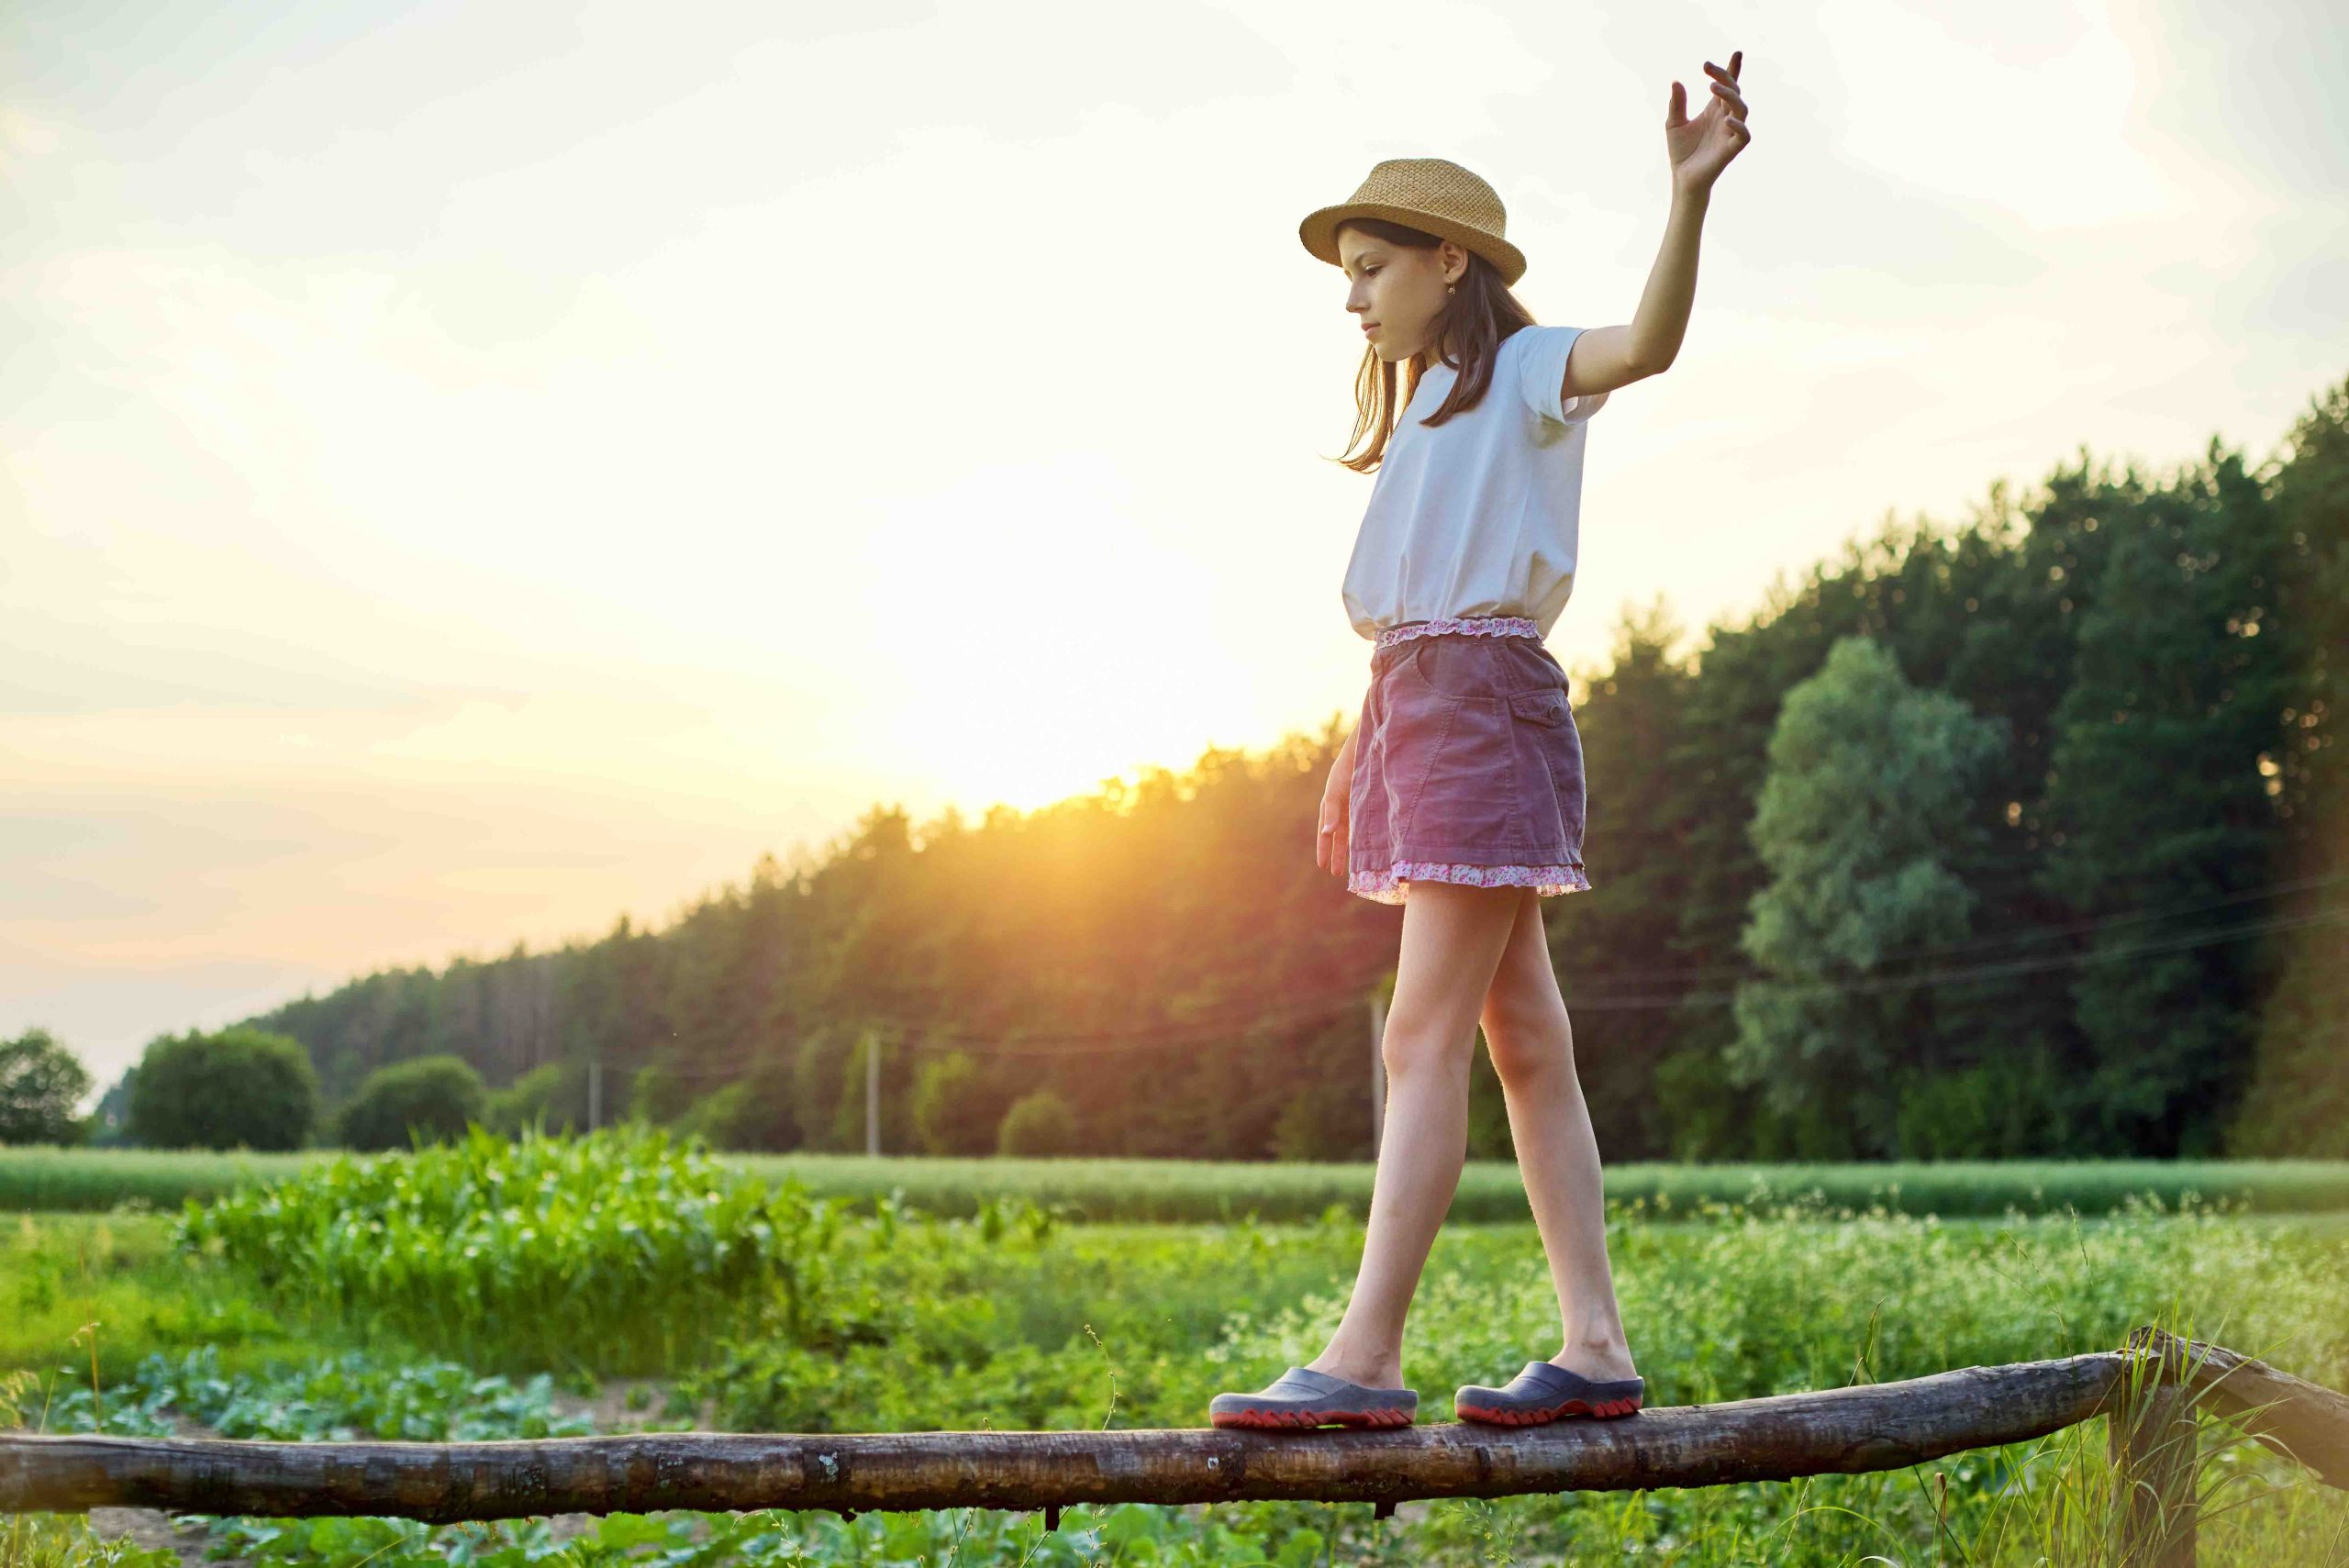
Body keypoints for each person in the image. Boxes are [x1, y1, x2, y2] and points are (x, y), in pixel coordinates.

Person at [1208, 52, 1752, 1432]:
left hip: (1483, 713)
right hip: (1424, 713)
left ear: (1450, 262)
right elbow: (1410, 621)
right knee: (1523, 1039)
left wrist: (1687, 195)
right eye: (1346, 273)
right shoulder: (1418, 425)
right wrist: (1360, 749)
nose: (1353, 294)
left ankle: (1367, 1354)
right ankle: (1597, 1342)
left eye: (1373, 265)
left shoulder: (1520, 373)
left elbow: (1649, 345)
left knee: (1419, 1034)